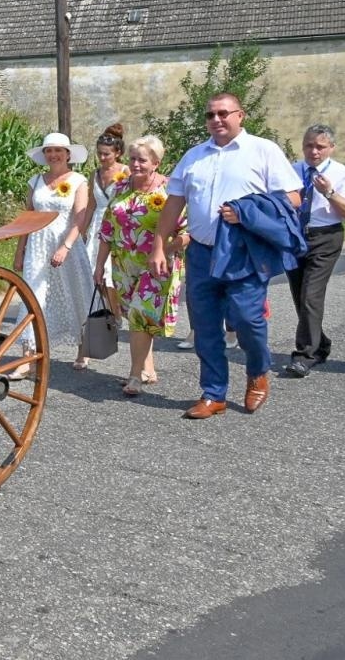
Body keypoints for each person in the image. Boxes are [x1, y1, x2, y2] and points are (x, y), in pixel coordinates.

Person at [151, 93, 301, 419]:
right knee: (205, 326)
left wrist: (246, 211)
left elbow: (293, 198)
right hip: (202, 251)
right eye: (210, 115)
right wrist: (159, 245)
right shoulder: (194, 156)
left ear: (240, 115)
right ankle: (213, 393)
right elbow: (174, 203)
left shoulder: (263, 150)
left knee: (247, 319)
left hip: (243, 252)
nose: (216, 120)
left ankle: (258, 372)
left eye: (223, 113)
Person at [94, 135, 187, 396]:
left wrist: (164, 250)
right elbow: (107, 229)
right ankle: (148, 368)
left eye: (142, 160)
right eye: (133, 159)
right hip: (123, 264)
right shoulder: (120, 188)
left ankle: (134, 376)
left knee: (139, 315)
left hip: (156, 265)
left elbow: (188, 232)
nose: (135, 164)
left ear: (156, 163)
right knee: (136, 317)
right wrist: (99, 266)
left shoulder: (170, 191)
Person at [13, 131, 96, 374]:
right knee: (33, 296)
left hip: (66, 243)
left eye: (58, 150)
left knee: (75, 293)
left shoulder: (79, 181)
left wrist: (66, 246)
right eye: (49, 151)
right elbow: (26, 218)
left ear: (68, 154)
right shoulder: (35, 181)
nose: (53, 155)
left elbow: (80, 217)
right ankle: (27, 357)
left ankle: (83, 348)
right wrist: (20, 250)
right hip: (38, 245)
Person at [283, 123, 345, 377]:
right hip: (295, 236)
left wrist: (329, 192)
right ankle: (321, 343)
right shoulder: (292, 171)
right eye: (309, 145)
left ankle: (305, 355)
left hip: (325, 237)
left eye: (320, 146)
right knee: (300, 297)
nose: (314, 151)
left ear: (331, 148)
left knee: (311, 295)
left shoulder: (342, 174)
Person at [88, 123, 129, 288]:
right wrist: (82, 231)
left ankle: (117, 311)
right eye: (99, 153)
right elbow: (91, 205)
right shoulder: (94, 174)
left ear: (117, 153)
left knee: (113, 273)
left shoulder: (126, 171)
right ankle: (105, 310)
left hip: (117, 223)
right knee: (95, 271)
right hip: (97, 224)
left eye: (106, 154)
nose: (102, 158)